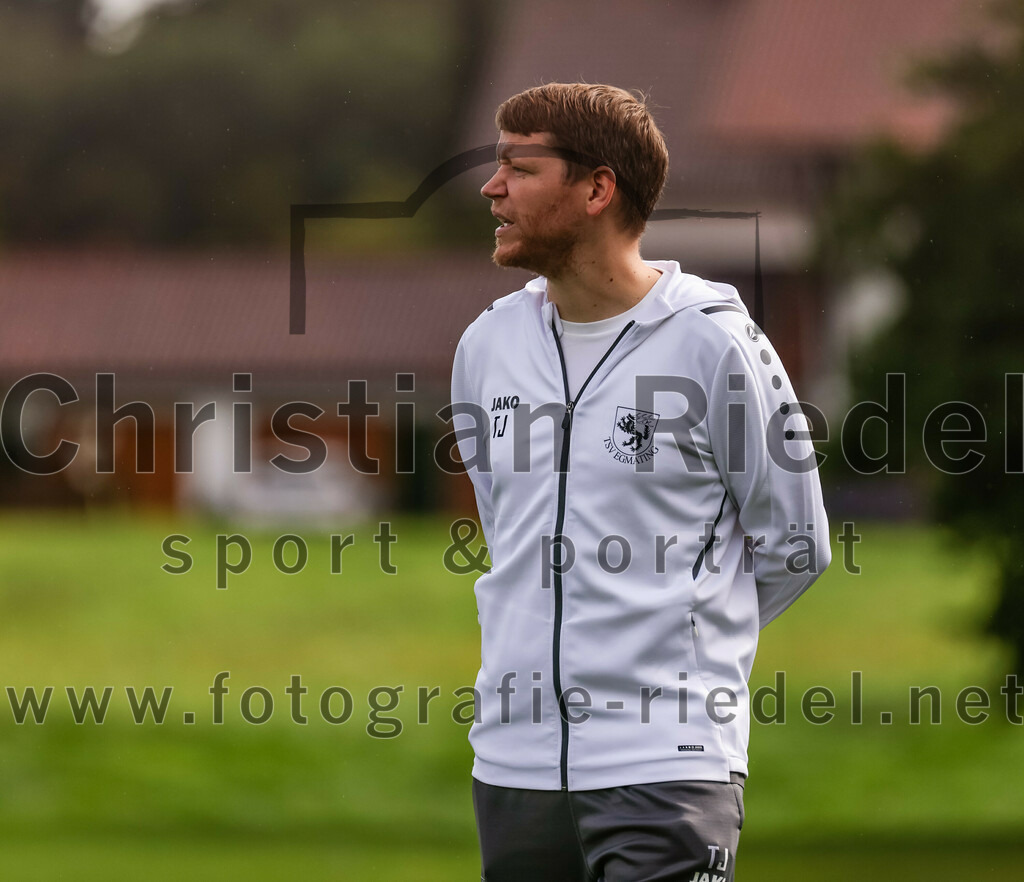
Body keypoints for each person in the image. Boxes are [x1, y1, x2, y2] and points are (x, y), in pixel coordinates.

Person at [451, 83, 830, 882]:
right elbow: (511, 536)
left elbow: (796, 544)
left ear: (596, 188)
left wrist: (674, 645)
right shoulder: (485, 347)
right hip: (512, 774)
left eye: (520, 167)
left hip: (667, 769)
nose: (492, 188)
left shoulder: (716, 345)